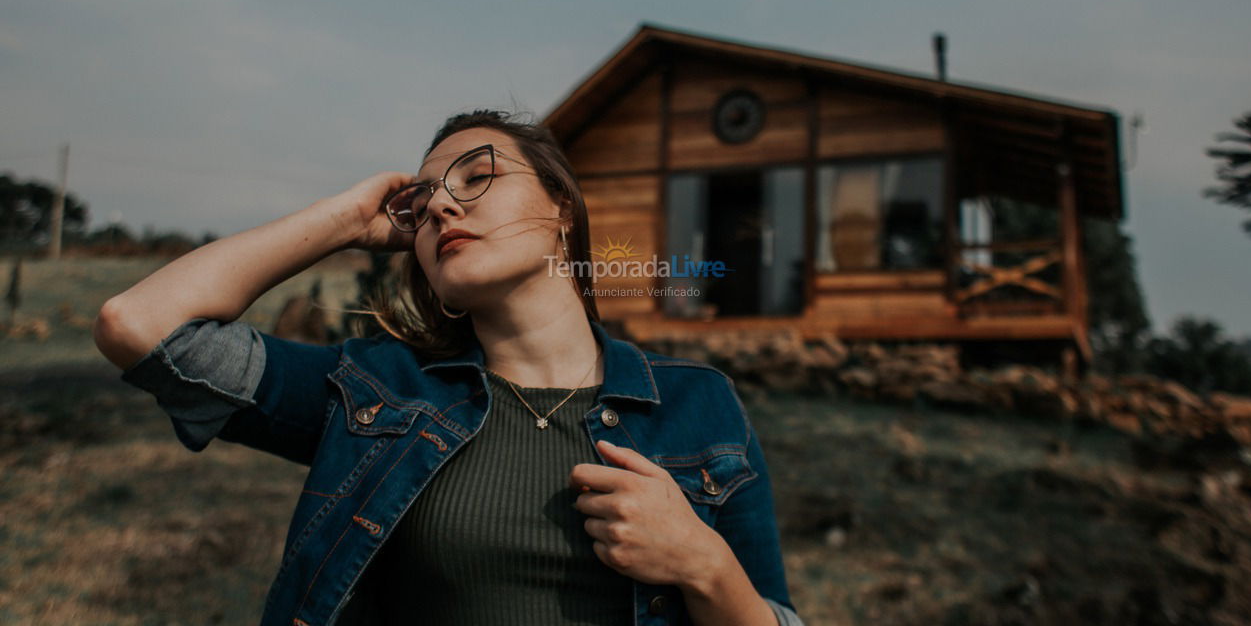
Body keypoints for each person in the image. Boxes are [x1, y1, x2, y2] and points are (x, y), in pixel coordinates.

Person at [94, 109, 805, 626]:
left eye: (476, 176)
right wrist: (345, 221)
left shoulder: (698, 406)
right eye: (421, 202)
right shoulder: (372, 389)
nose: (441, 208)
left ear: (560, 205)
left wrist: (703, 565)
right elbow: (140, 327)